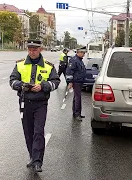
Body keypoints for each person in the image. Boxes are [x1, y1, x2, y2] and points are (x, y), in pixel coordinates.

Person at [9, 39, 61, 173]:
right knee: (28, 132)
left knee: (38, 131)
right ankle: (32, 157)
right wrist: (21, 86)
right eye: (30, 49)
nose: (32, 52)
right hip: (25, 102)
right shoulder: (20, 65)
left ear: (40, 50)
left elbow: (55, 81)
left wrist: (43, 86)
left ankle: (38, 161)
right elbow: (12, 80)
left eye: (35, 49)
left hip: (40, 103)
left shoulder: (48, 66)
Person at [66, 46, 87, 121]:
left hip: (79, 81)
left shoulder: (79, 60)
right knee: (78, 98)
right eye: (82, 53)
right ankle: (77, 114)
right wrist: (70, 82)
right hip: (76, 81)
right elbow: (69, 71)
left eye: (84, 53)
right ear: (78, 52)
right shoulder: (74, 60)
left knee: (76, 97)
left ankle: (75, 113)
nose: (84, 54)